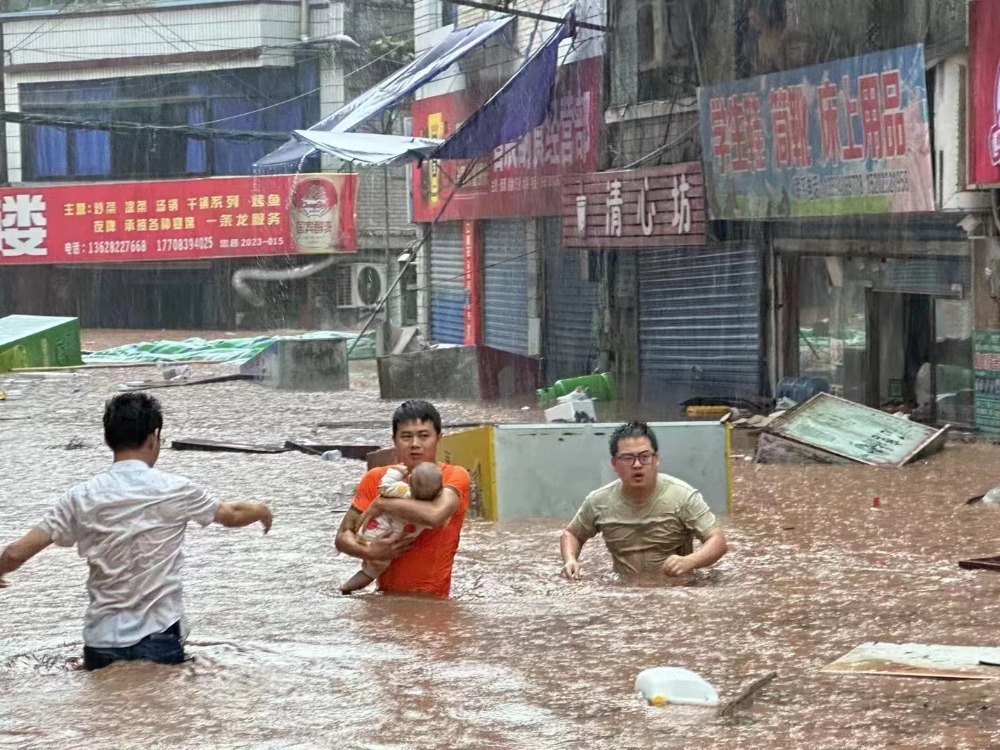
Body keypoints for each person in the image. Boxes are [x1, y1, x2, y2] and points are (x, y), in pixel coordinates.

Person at [0, 392, 272, 670]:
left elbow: (15, 553)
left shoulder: (80, 497)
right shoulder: (176, 489)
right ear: (154, 437)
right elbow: (230, 515)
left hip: (100, 642)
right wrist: (260, 509)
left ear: (108, 439)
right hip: (158, 636)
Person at [560, 421, 728, 581]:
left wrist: (690, 561)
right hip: (624, 591)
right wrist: (570, 560)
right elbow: (572, 534)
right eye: (628, 458)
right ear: (614, 463)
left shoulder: (683, 496)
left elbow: (717, 541)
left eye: (644, 456)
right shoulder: (598, 501)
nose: (637, 464)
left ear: (656, 460)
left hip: (677, 590)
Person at [335, 400, 470, 598]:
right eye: (406, 437)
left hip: (435, 601)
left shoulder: (453, 476)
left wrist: (383, 503)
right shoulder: (376, 478)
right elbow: (342, 537)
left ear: (438, 438)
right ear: (394, 440)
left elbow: (436, 516)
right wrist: (370, 552)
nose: (415, 444)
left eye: (424, 436)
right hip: (384, 600)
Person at [340, 462, 443, 595]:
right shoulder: (429, 513)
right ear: (440, 491)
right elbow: (439, 521)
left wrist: (396, 471)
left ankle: (345, 588)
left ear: (410, 480)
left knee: (369, 566)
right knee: (369, 573)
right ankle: (347, 587)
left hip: (368, 532)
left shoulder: (402, 490)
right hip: (386, 545)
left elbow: (383, 487)